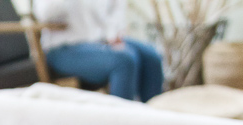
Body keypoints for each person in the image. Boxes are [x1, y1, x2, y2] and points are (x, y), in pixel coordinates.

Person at [35, 0, 164, 102]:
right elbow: (45, 13)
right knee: (124, 61)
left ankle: (153, 121)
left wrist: (113, 34)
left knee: (152, 57)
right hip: (64, 47)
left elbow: (115, 9)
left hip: (99, 40)